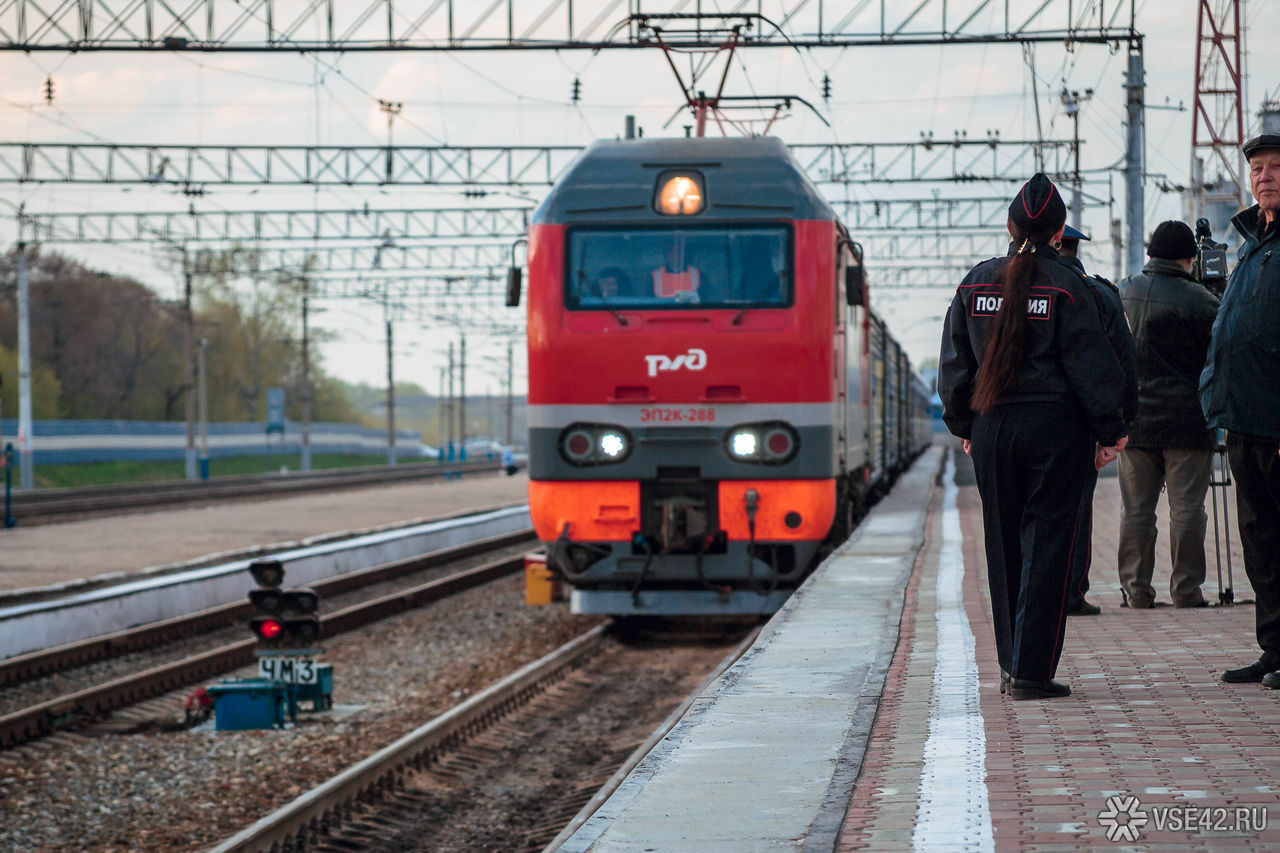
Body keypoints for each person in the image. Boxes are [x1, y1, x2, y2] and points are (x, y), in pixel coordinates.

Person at [939, 173, 1129, 700]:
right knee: (1049, 545)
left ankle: (1008, 664)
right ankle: (1031, 671)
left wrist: (965, 425)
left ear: (1009, 225)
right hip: (1055, 430)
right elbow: (1092, 367)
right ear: (1059, 230)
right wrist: (1111, 430)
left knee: (1002, 547)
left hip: (992, 427)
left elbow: (954, 365)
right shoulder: (1070, 288)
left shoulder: (975, 284)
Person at [1200, 134, 1280, 687]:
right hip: (1245, 419)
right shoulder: (1252, 241)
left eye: (1276, 166)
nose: (1265, 175)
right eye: (1256, 167)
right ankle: (1273, 649)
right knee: (1260, 542)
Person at [1115, 221, 1220, 611]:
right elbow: (1218, 359)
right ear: (1189, 258)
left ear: (1151, 254)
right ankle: (1187, 591)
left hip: (1134, 424)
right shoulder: (1201, 300)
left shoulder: (1122, 292)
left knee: (1136, 510)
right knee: (1188, 510)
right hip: (1188, 425)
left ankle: (1136, 592)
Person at [1057, 224, 1138, 616]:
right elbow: (1123, 364)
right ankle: (1071, 593)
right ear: (1075, 249)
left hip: (1024, 421)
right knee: (1076, 510)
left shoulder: (1014, 287)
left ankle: (1033, 594)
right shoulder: (1101, 294)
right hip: (1081, 424)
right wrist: (1117, 427)